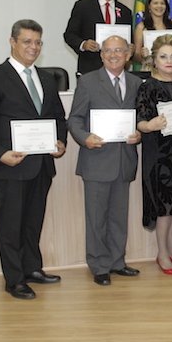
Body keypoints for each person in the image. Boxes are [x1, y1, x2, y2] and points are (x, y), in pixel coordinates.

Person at [0, 19, 67, 299]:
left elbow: (57, 117)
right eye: (27, 41)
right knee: (11, 224)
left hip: (41, 165)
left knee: (32, 221)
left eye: (38, 42)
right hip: (10, 165)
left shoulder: (46, 78)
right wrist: (0, 153)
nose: (33, 47)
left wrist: (60, 141)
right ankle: (14, 279)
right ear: (12, 42)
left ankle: (32, 268)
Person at [67, 35, 143, 286]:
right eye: (108, 51)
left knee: (119, 217)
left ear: (128, 54)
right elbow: (74, 119)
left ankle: (117, 262)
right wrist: (85, 137)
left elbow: (141, 118)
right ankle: (99, 265)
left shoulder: (135, 82)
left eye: (119, 50)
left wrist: (139, 133)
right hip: (96, 159)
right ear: (101, 55)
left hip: (124, 160)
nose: (113, 55)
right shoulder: (88, 82)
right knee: (96, 218)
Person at [136, 35, 172, 275]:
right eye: (163, 57)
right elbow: (139, 122)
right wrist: (152, 124)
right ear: (154, 59)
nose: (169, 61)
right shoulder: (147, 85)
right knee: (163, 207)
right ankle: (162, 253)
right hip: (159, 153)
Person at [64, 0, 133, 75]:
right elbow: (69, 35)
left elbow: (130, 41)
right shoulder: (83, 6)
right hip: (90, 70)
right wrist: (84, 44)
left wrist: (130, 48)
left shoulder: (125, 11)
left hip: (118, 71)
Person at [133, 0, 172, 70]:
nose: (159, 6)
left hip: (171, 69)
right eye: (155, 3)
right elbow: (136, 56)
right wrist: (142, 55)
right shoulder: (141, 27)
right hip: (150, 70)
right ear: (149, 6)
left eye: (162, 3)